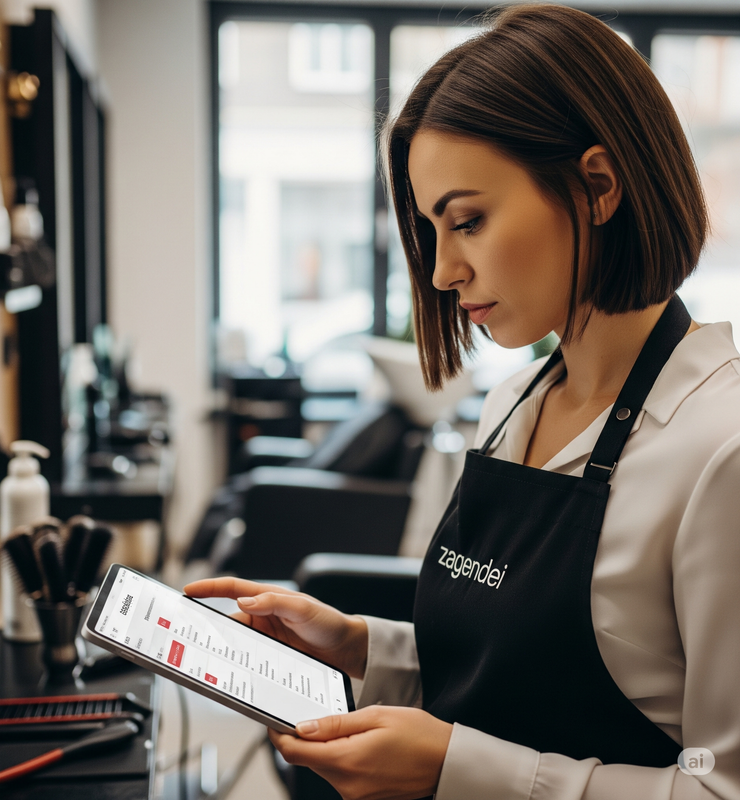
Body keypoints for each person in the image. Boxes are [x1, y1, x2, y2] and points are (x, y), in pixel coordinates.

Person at [186, 5, 740, 798]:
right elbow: (514, 678)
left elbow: (722, 786)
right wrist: (358, 647)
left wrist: (456, 768)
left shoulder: (721, 450)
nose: (443, 271)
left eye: (468, 222)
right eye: (431, 231)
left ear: (598, 186)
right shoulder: (512, 405)